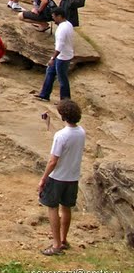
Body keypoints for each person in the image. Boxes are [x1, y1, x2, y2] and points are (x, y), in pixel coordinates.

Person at [38, 99, 86, 256]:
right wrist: (49, 124)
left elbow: (53, 161)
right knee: (66, 208)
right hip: (72, 177)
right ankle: (64, 240)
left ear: (63, 116)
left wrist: (43, 178)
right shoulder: (81, 132)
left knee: (52, 208)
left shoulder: (61, 136)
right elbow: (65, 139)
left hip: (57, 177)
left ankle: (56, 244)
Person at [34, 8, 75, 102]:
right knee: (50, 72)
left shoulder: (62, 28)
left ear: (59, 16)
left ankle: (65, 100)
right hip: (65, 55)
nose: (53, 19)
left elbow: (60, 45)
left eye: (54, 17)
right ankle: (44, 94)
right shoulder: (68, 24)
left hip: (62, 57)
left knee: (62, 79)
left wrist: (53, 58)